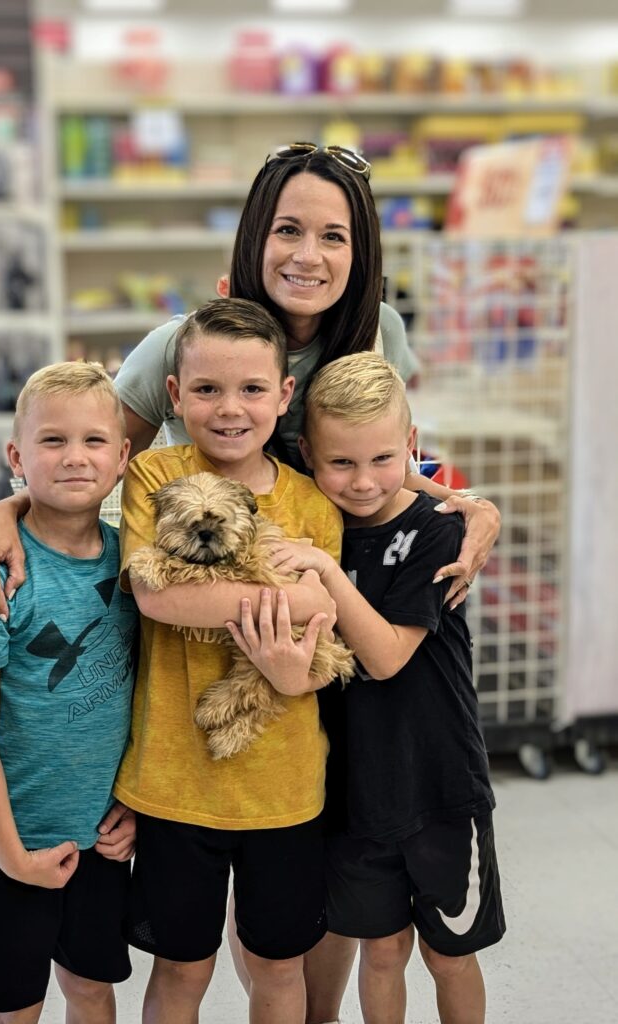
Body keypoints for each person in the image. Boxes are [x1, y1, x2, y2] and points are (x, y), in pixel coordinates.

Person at [0, 142, 499, 632]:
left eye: (333, 236)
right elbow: (95, 459)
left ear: (360, 255)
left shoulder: (381, 332)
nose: (308, 256)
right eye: (288, 230)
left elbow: (382, 465)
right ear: (256, 238)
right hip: (209, 599)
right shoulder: (181, 347)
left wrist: (466, 503)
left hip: (348, 593)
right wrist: (7, 511)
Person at [227, 351, 504, 1024]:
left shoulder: (436, 531)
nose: (361, 481)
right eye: (340, 463)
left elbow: (384, 658)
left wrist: (325, 571)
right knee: (381, 952)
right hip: (353, 792)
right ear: (307, 456)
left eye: (382, 459)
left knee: (449, 955)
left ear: (410, 446)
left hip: (439, 785)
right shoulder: (313, 528)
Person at [115, 298, 341, 1024]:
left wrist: (302, 616)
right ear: (175, 395)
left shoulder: (314, 505)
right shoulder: (154, 476)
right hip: (173, 780)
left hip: (285, 785)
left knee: (277, 965)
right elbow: (157, 596)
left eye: (251, 389)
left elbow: (321, 633)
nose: (230, 408)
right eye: (207, 389)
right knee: (180, 966)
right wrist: (290, 598)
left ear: (284, 395)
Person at [0, 362, 139, 1024]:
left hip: (101, 839)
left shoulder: (137, 565)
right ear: (17, 457)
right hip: (11, 841)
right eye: (53, 440)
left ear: (122, 457)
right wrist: (11, 854)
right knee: (14, 1007)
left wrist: (134, 806)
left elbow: (145, 699)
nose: (75, 457)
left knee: (91, 990)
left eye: (93, 440)